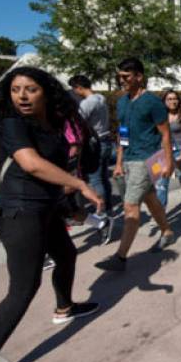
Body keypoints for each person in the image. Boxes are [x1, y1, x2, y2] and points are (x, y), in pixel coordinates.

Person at [0, 67, 102, 362]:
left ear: (46, 92)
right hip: (21, 213)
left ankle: (64, 307)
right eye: (16, 89)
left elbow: (49, 175)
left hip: (45, 210)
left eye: (31, 89)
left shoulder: (47, 125)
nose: (22, 95)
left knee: (65, 254)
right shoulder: (13, 124)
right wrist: (80, 184)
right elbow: (32, 165)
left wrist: (69, 205)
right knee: (23, 288)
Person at [95, 58, 176, 271]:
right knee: (149, 197)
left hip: (147, 160)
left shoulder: (152, 102)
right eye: (119, 77)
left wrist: (170, 162)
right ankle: (167, 231)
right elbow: (123, 134)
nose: (121, 81)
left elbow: (165, 134)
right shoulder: (122, 102)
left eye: (126, 77)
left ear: (139, 77)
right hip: (128, 159)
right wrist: (119, 162)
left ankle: (120, 257)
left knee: (130, 205)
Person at [69, 75, 115, 241]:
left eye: (75, 89)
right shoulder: (101, 98)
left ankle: (102, 214)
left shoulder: (87, 103)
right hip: (106, 140)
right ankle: (109, 210)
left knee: (96, 180)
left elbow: (77, 124)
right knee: (103, 178)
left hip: (95, 144)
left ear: (79, 87)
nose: (75, 92)